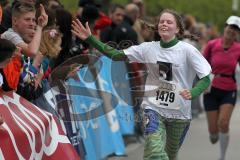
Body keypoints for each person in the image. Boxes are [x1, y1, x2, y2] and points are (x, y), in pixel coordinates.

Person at [72, 9, 211, 160]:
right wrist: (91, 39)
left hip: (180, 113)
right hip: (153, 108)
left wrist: (193, 92)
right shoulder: (148, 48)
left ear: (177, 29)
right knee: (155, 151)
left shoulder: (188, 50)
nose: (164, 24)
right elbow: (116, 55)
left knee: (170, 155)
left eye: (169, 22)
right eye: (162, 21)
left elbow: (205, 78)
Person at [203, 15, 240, 160]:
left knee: (223, 123)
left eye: (236, 29)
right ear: (225, 27)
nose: (232, 31)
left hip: (229, 89)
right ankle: (214, 133)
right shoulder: (212, 45)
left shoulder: (238, 49)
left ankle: (222, 157)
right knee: (213, 132)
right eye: (231, 27)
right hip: (211, 89)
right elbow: (200, 63)